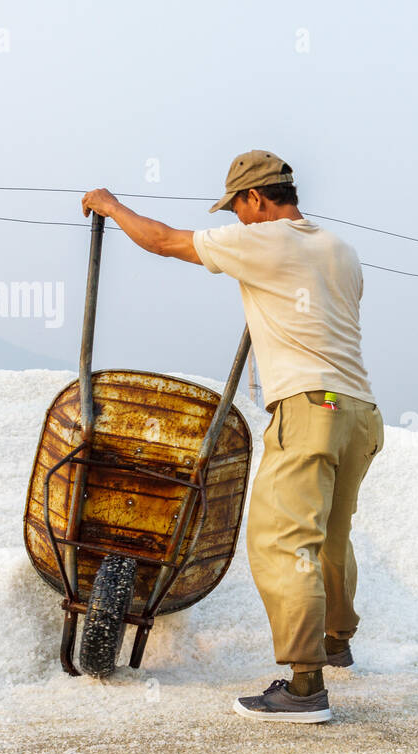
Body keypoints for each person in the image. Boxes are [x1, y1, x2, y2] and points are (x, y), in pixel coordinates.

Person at [81, 150, 384, 724]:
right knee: (331, 533)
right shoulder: (339, 250)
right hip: (360, 410)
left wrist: (109, 204)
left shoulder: (265, 240)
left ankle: (303, 687)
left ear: (256, 199)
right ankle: (336, 639)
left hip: (309, 405)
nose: (236, 220)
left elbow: (164, 240)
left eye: (237, 207)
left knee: (282, 539)